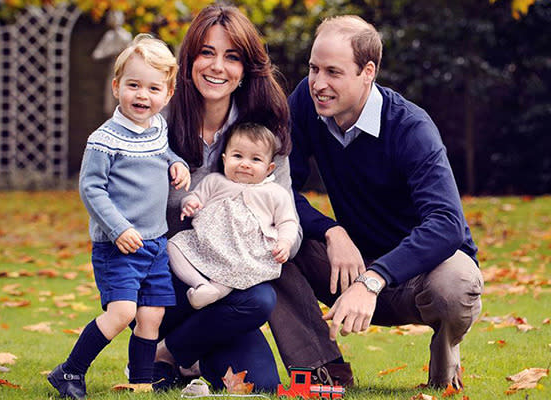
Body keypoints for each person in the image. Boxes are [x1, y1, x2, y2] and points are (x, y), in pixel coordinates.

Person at [268, 15, 483, 390]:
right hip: (348, 265)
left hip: (419, 276)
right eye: (314, 69)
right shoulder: (305, 101)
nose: (319, 83)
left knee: (458, 283)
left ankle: (444, 361)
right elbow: (276, 188)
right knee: (268, 238)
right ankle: (324, 370)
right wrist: (331, 231)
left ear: (367, 71)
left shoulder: (411, 128)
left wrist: (373, 279)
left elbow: (447, 223)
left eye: (333, 72)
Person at [135, 3, 301, 393]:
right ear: (189, 59)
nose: (217, 67)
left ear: (246, 69)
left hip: (231, 288)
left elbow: (284, 215)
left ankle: (168, 354)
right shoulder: (156, 117)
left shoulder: (264, 134)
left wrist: (273, 243)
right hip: (165, 278)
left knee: (260, 381)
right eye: (206, 53)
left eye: (231, 57)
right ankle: (177, 347)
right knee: (243, 302)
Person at [47, 34, 190, 399]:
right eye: (134, 85)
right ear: (117, 87)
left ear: (168, 93)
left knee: (152, 317)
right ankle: (69, 372)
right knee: (123, 311)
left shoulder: (157, 128)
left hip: (155, 243)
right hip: (119, 246)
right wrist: (118, 228)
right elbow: (91, 189)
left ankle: (141, 382)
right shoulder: (104, 140)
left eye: (153, 88)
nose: (143, 95)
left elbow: (164, 154)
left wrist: (177, 163)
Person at [168, 122, 299, 310]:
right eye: (237, 156)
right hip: (208, 244)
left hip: (245, 251)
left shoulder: (274, 193)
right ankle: (200, 285)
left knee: (237, 269)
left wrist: (285, 243)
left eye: (255, 160)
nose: (245, 164)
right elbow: (196, 197)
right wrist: (190, 204)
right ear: (224, 159)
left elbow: (287, 221)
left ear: (269, 168)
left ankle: (215, 291)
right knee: (173, 245)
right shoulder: (215, 181)